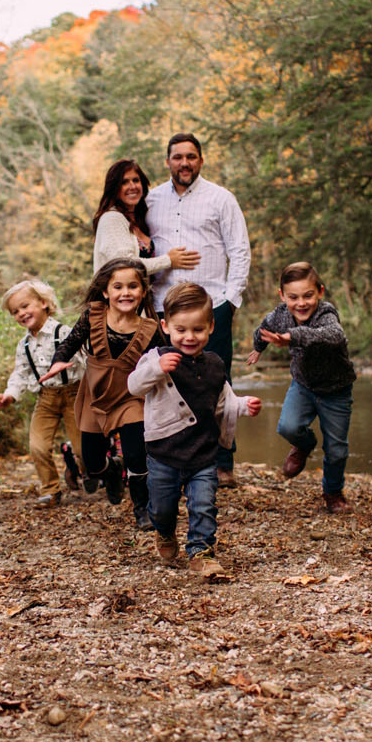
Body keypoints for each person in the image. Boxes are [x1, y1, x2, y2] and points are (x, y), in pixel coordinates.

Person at [129, 282, 262, 580]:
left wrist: (243, 405)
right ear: (166, 326)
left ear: (211, 327)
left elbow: (222, 400)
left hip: (203, 453)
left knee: (203, 504)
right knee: (163, 509)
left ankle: (201, 552)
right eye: (181, 330)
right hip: (164, 453)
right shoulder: (156, 357)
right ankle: (164, 532)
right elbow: (134, 385)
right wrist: (157, 369)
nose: (189, 337)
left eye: (198, 330)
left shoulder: (214, 364)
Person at [145, 132, 250, 487]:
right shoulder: (151, 200)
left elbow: (239, 250)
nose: (184, 163)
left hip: (212, 306)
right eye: (177, 157)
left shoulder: (221, 198)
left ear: (201, 160)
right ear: (168, 161)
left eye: (191, 157)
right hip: (163, 308)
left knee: (217, 382)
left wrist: (230, 301)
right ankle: (170, 462)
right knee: (165, 381)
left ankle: (222, 462)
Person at [41, 258, 162, 531]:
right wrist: (58, 360)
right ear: (106, 292)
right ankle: (109, 470)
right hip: (95, 395)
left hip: (132, 395)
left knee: (136, 456)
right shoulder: (93, 315)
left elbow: (162, 362)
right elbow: (71, 342)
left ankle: (142, 508)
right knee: (91, 462)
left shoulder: (150, 329)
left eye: (133, 286)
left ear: (143, 291)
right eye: (117, 287)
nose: (125, 292)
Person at [245, 261, 356, 513]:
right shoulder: (280, 314)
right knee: (288, 426)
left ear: (320, 291)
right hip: (303, 385)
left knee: (336, 449)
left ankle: (333, 492)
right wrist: (259, 348)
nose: (301, 303)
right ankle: (304, 445)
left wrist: (293, 336)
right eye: (293, 297)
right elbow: (263, 328)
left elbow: (334, 335)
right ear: (282, 295)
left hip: (336, 389)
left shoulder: (326, 313)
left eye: (308, 295)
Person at [0, 279, 85, 507]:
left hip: (74, 394)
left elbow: (85, 361)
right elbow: (20, 374)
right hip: (46, 399)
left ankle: (82, 467)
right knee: (37, 446)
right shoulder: (24, 345)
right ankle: (51, 490)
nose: (21, 314)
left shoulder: (63, 332)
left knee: (83, 448)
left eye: (25, 306)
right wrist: (10, 394)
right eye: (15, 311)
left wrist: (72, 364)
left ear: (44, 303)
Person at [91, 158, 200, 277]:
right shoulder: (111, 218)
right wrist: (168, 260)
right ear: (114, 189)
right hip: (118, 295)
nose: (132, 186)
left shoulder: (138, 219)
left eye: (136, 180)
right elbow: (123, 265)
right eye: (124, 182)